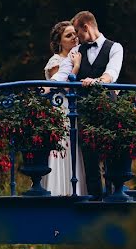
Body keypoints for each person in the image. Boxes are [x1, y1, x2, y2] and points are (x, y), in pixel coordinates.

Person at [57, 10, 124, 198]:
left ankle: (113, 199)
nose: (76, 38)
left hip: (108, 106)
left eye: (77, 32)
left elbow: (112, 73)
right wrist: (44, 88)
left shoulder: (115, 47)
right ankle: (95, 201)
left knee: (111, 152)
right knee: (89, 155)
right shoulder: (76, 51)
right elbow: (62, 74)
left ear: (85, 27)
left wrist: (98, 81)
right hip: (84, 108)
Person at [42, 21, 87, 196]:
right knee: (62, 147)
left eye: (75, 34)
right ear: (59, 42)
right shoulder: (56, 60)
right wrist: (75, 67)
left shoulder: (79, 55)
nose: (74, 38)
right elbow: (64, 86)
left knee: (75, 149)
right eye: (68, 35)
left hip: (75, 109)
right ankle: (59, 192)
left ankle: (77, 191)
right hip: (61, 109)